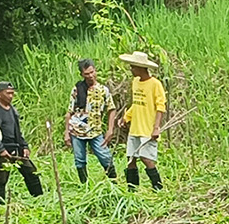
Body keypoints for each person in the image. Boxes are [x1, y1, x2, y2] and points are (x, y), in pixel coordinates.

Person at [0, 81, 45, 204]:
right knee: (0, 179)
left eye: (12, 93)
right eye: (8, 93)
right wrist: (0, 149)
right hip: (1, 150)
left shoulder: (12, 110)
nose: (11, 96)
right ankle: (1, 205)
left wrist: (24, 146)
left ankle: (40, 200)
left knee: (31, 172)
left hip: (16, 147)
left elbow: (18, 131)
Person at [114, 51, 167, 191]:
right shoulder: (135, 82)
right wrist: (126, 117)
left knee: (146, 159)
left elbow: (160, 107)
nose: (131, 69)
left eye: (133, 67)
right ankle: (132, 189)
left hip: (147, 129)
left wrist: (156, 127)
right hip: (135, 128)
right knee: (131, 159)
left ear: (140, 68)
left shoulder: (155, 84)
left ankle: (158, 187)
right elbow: (136, 104)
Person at [64, 59, 119, 183]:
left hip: (95, 130)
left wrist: (110, 129)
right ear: (82, 75)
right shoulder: (77, 89)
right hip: (77, 130)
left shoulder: (103, 90)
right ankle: (85, 185)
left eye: (92, 72)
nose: (90, 76)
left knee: (105, 157)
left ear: (95, 71)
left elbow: (112, 109)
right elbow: (69, 112)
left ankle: (114, 184)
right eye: (86, 74)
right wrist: (66, 132)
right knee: (80, 160)